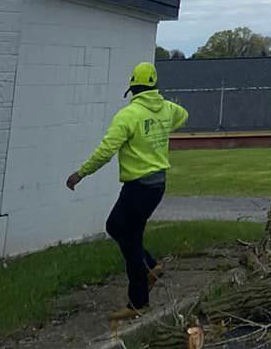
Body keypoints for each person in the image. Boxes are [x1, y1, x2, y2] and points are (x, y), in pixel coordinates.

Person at [66, 61, 189, 312]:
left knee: (124, 234)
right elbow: (183, 115)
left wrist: (81, 174)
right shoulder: (167, 109)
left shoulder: (128, 115)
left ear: (132, 88)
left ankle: (138, 301)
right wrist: (163, 129)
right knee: (124, 230)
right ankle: (150, 266)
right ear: (153, 86)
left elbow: (106, 151)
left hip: (138, 186)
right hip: (157, 185)